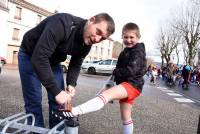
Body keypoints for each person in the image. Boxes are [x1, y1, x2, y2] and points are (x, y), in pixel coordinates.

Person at [18, 12, 115, 128]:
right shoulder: (62, 24)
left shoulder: (87, 43)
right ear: (91, 20)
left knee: (61, 102)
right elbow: (39, 58)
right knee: (33, 101)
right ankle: (36, 130)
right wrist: (55, 90)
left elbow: (76, 63)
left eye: (102, 38)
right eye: (98, 32)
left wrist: (71, 83)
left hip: (53, 60)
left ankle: (57, 131)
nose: (97, 39)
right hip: (30, 54)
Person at [61, 22, 146, 134]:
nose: (128, 40)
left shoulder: (138, 51)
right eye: (125, 37)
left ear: (138, 37)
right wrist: (107, 85)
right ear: (122, 37)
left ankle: (76, 111)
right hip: (127, 85)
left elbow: (131, 70)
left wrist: (116, 72)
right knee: (126, 118)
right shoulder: (125, 52)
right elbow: (116, 74)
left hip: (132, 85)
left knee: (105, 96)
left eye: (132, 37)